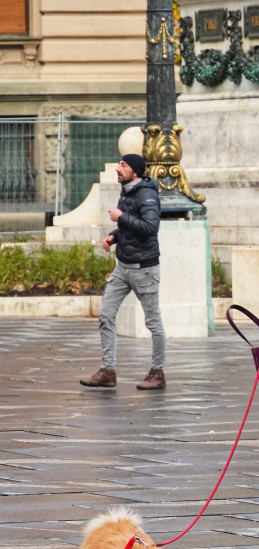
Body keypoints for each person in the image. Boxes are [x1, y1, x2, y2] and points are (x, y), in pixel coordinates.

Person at [80, 154, 167, 390]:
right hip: (123, 267)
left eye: (123, 165)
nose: (118, 169)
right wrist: (114, 236)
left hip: (144, 269)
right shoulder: (127, 191)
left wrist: (122, 217)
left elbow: (150, 228)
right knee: (106, 314)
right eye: (119, 164)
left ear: (135, 172)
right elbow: (129, 226)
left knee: (154, 323)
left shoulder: (147, 194)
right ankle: (108, 371)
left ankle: (157, 373)